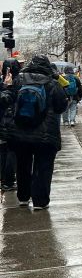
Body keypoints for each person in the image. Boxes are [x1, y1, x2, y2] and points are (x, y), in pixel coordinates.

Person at [0, 56, 68, 210]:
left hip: (20, 132)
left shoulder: (18, 80)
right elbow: (61, 106)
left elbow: (10, 99)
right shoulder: (52, 83)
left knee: (23, 165)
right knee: (43, 166)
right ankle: (40, 201)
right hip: (46, 134)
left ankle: (23, 197)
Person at [0, 59, 20, 192]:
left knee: (3, 150)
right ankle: (8, 180)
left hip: (2, 122)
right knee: (11, 152)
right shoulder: (15, 82)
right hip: (11, 121)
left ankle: (4, 178)